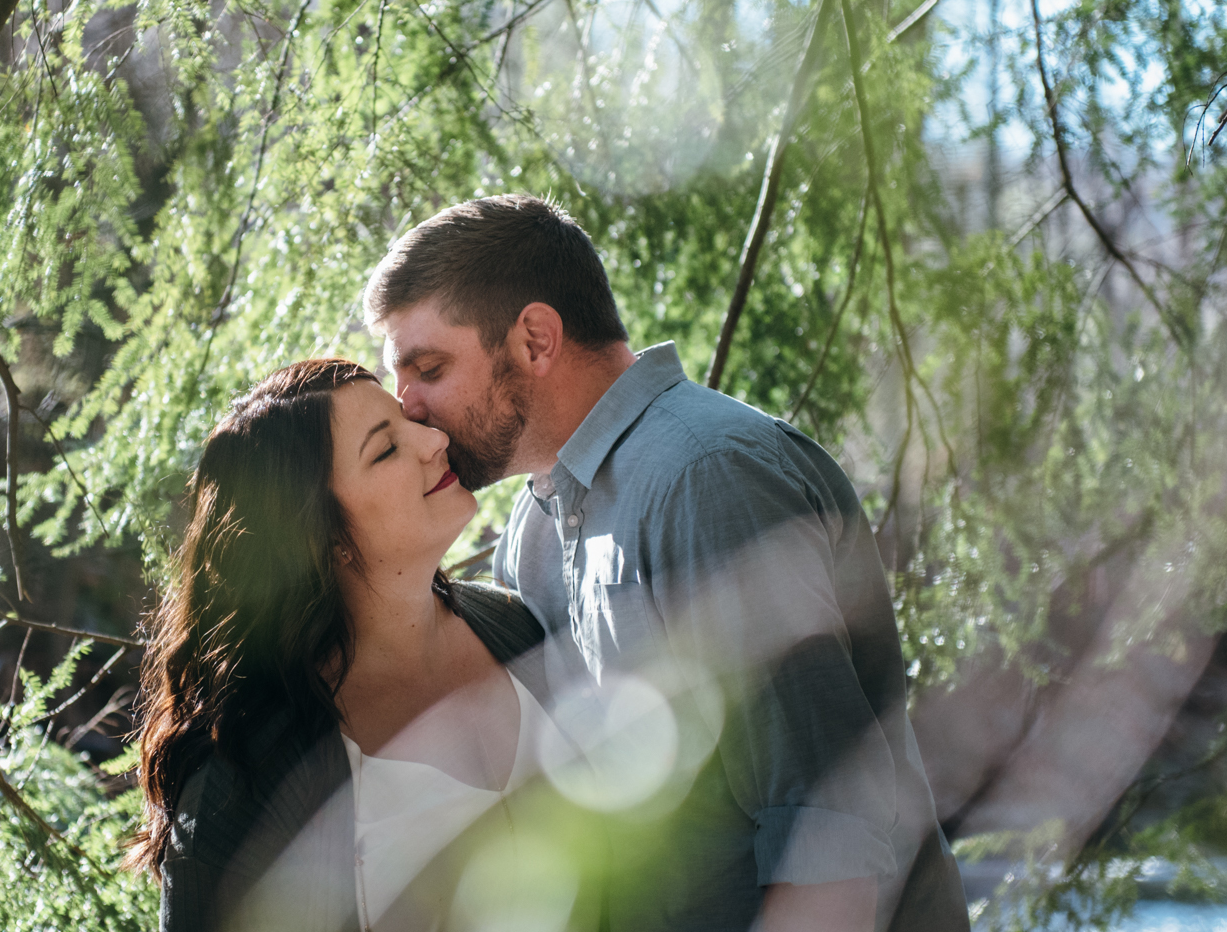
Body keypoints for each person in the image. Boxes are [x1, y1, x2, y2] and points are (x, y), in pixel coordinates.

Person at [365, 195, 969, 932]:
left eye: (428, 367)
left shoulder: (708, 475)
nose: (409, 407)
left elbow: (826, 825)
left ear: (534, 339)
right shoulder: (532, 530)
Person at [130, 358, 561, 932]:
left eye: (411, 421)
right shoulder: (243, 782)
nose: (435, 440)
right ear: (321, 537)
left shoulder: (517, 622)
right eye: (385, 450)